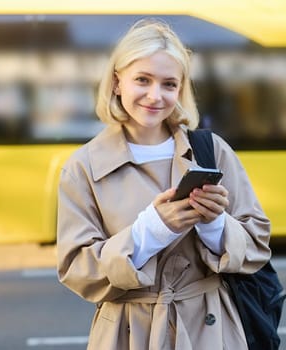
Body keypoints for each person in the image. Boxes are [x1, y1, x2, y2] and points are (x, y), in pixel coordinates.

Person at [56, 18, 271, 350]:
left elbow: (258, 243)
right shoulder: (82, 167)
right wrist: (151, 231)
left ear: (181, 89)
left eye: (169, 84)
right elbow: (77, 270)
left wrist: (215, 225)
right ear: (117, 83)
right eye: (142, 79)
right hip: (129, 334)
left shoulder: (211, 151)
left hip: (212, 330)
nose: (155, 96)